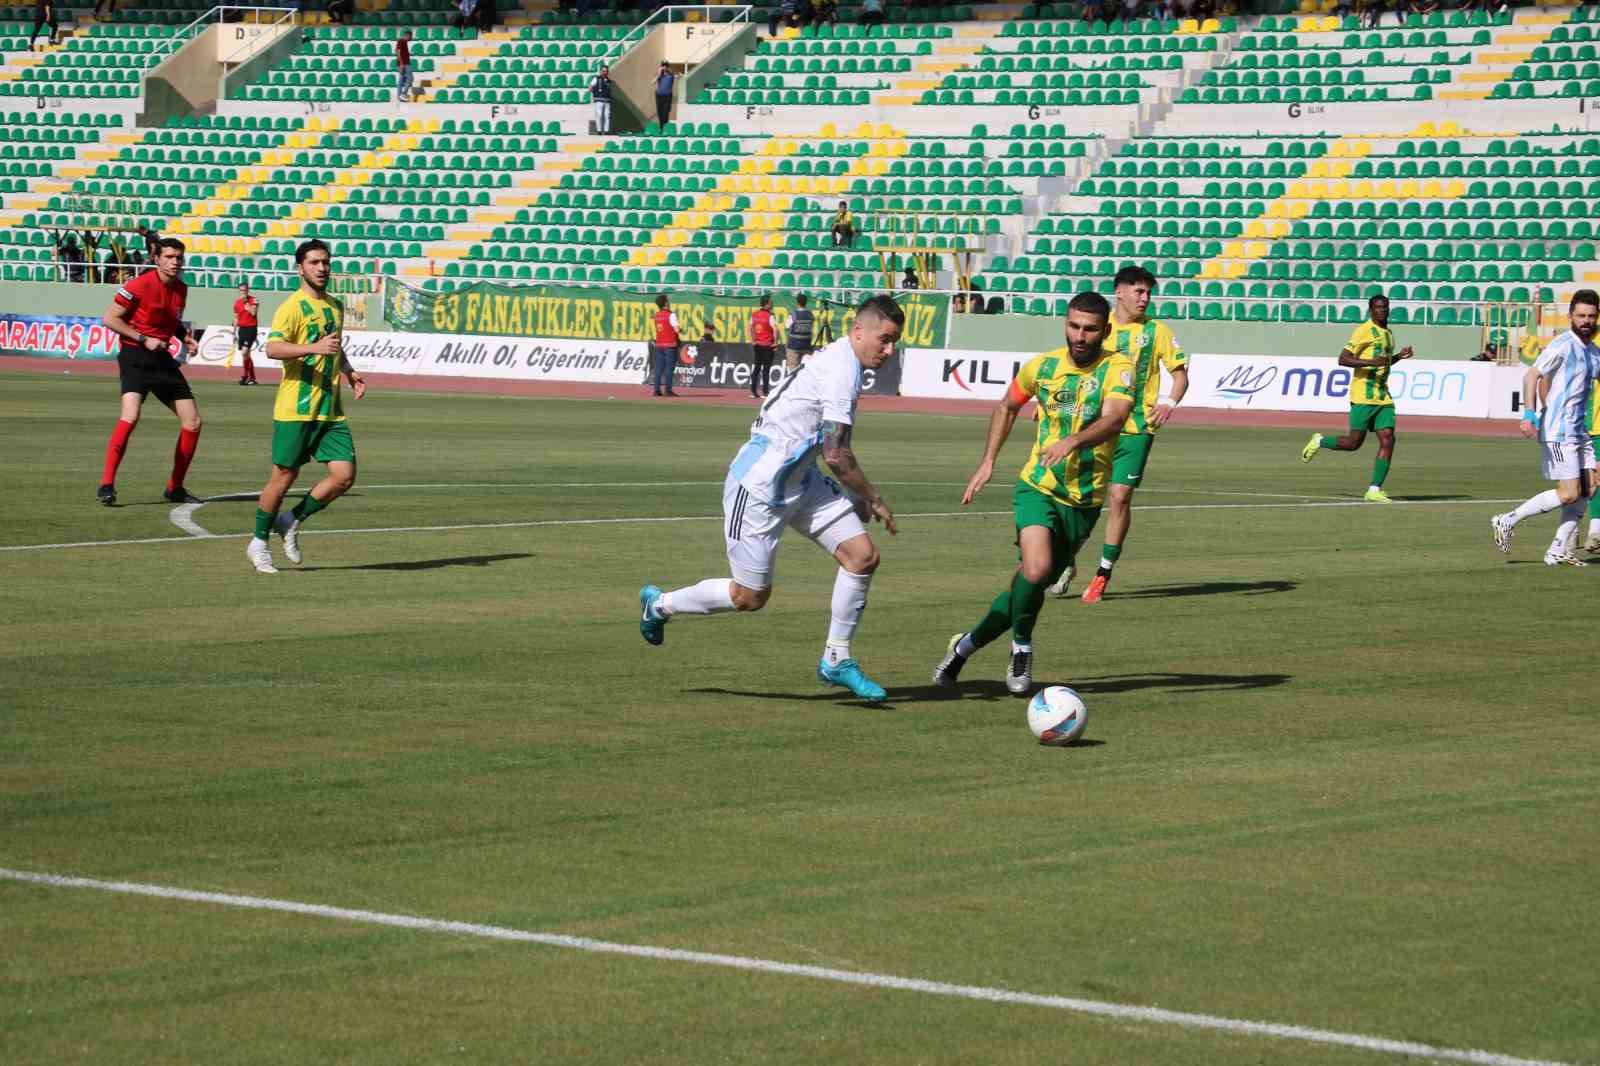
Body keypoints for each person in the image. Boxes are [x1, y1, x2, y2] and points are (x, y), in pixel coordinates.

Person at [638, 295, 906, 702]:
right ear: (858, 331)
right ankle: (660, 605)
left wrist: (855, 493)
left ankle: (836, 659)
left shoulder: (845, 362)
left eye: (894, 344)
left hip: (802, 479)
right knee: (750, 597)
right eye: (884, 340)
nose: (888, 351)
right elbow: (837, 453)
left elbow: (827, 449)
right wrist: (873, 497)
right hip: (761, 486)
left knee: (862, 556)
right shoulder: (840, 371)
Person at [931, 292, 1135, 695]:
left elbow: (1115, 418)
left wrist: (1073, 441)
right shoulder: (1043, 367)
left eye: (1090, 329)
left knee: (1027, 585)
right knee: (1038, 569)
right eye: (1074, 326)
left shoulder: (1118, 368)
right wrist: (988, 461)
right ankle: (1021, 648)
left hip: (1084, 500)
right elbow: (1007, 406)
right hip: (1037, 486)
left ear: (1105, 331)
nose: (1080, 335)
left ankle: (964, 646)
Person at [1052, 266, 1188, 604]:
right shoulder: (1100, 328)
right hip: (1096, 426)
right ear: (1120, 292)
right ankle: (1066, 561)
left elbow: (1180, 375)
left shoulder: (1157, 332)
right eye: (1139, 291)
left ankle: (1102, 574)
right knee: (1082, 499)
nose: (1145, 298)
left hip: (1137, 427)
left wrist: (1169, 401)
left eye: (1148, 292)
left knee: (1119, 497)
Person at [246, 239, 367, 575]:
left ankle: (291, 519)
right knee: (283, 477)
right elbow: (272, 349)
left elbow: (334, 348)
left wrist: (349, 372)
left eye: (326, 262)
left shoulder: (336, 307)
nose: (322, 268)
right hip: (295, 409)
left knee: (344, 476)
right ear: (300, 268)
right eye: (314, 262)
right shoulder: (292, 307)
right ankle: (258, 543)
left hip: (329, 410)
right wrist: (313, 346)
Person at [1490, 290, 1600, 568]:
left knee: (1589, 488)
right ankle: (1507, 519)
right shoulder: (1562, 344)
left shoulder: (1593, 352)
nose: (1586, 320)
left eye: (1591, 315)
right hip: (1559, 431)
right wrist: (1529, 412)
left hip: (1579, 431)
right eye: (1581, 315)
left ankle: (1558, 550)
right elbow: (1533, 375)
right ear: (1571, 316)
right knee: (1570, 493)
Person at [97, 237, 202, 507]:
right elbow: (110, 318)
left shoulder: (182, 289)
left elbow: (171, 320)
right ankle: (106, 485)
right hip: (135, 355)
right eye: (169, 256)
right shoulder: (138, 285)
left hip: (162, 358)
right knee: (130, 416)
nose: (175, 262)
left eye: (179, 257)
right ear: (156, 259)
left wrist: (184, 336)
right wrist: (144, 339)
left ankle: (174, 488)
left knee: (193, 422)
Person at [1299, 293, 1414, 503]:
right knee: (1353, 443)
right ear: (1371, 309)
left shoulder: (1388, 333)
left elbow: (1383, 362)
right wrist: (1370, 362)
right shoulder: (1363, 331)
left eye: (1385, 307)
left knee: (1388, 438)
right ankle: (1320, 441)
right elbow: (1342, 359)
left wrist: (1398, 357)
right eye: (1378, 307)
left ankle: (1373, 489)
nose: (1382, 310)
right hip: (1362, 394)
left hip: (1383, 396)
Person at [649, 293, 680, 398]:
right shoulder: (671, 315)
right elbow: (676, 329)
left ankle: (656, 390)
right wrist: (681, 329)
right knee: (669, 369)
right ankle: (668, 390)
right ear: (666, 303)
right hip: (670, 344)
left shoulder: (656, 315)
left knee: (659, 368)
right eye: (668, 301)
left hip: (659, 344)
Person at [749, 294, 777, 398]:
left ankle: (753, 392)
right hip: (767, 345)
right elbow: (775, 329)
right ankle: (765, 392)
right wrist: (776, 342)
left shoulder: (754, 314)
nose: (772, 303)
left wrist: (753, 340)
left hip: (757, 345)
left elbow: (750, 327)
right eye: (771, 302)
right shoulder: (770, 315)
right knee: (766, 369)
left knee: (756, 368)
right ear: (766, 304)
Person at [233, 282, 260, 386]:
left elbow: (253, 313)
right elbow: (236, 318)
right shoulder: (236, 303)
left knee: (245, 352)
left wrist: (247, 305)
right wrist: (233, 332)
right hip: (242, 329)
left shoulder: (253, 300)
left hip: (251, 328)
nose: (243, 292)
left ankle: (246, 375)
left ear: (248, 290)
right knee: (246, 355)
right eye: (241, 291)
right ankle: (250, 377)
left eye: (245, 290)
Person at [784, 292, 814, 372]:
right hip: (806, 346)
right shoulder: (810, 314)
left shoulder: (794, 314)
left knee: (792, 370)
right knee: (805, 371)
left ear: (797, 302)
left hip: (794, 346)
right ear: (806, 302)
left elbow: (786, 326)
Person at [590, 63, 613, 136]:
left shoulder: (609, 81)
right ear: (600, 71)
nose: (604, 72)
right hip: (599, 99)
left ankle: (606, 131)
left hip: (607, 100)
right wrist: (595, 93)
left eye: (606, 71)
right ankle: (599, 130)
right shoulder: (596, 78)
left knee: (607, 115)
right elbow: (590, 87)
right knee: (599, 115)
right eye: (603, 71)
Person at [654, 62, 676, 128]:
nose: (664, 67)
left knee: (665, 112)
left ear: (668, 67)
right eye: (663, 66)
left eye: (666, 66)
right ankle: (661, 127)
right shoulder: (659, 75)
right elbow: (653, 81)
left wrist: (672, 73)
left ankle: (665, 127)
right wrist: (659, 74)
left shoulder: (671, 75)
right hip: (659, 96)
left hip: (667, 96)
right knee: (659, 112)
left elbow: (678, 76)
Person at [395, 30, 414, 102]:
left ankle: (399, 96)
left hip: (403, 63)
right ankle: (403, 94)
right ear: (408, 35)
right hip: (404, 64)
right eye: (411, 37)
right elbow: (397, 52)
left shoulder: (404, 42)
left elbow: (402, 52)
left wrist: (408, 54)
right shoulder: (401, 41)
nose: (411, 38)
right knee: (410, 78)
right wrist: (401, 63)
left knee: (401, 79)